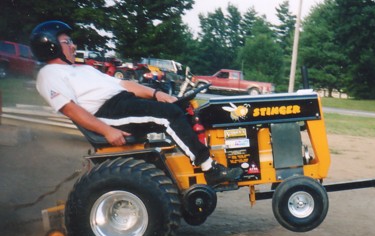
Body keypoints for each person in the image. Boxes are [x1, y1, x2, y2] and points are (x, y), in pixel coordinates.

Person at [29, 20, 242, 186]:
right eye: (68, 42)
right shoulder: (50, 74)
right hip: (108, 112)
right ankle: (210, 169)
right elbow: (71, 109)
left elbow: (125, 85)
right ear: (52, 47)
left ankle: (203, 158)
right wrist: (106, 131)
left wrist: (159, 94)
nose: (74, 46)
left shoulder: (82, 69)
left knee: (180, 107)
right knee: (169, 115)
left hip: (123, 102)